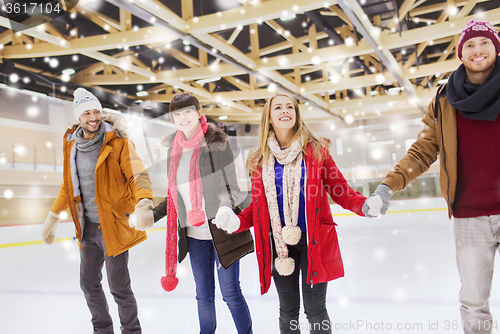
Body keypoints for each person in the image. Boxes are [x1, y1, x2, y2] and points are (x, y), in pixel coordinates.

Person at [368, 18, 500, 334]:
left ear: (496, 48)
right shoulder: (444, 99)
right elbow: (422, 151)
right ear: (460, 53)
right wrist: (387, 186)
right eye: (469, 44)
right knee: (473, 302)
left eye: (485, 42)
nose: (477, 50)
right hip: (470, 217)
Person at [214, 93, 381, 334]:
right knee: (288, 310)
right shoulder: (258, 160)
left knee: (315, 310)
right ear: (269, 118)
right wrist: (237, 221)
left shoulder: (316, 151)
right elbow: (259, 208)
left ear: (296, 114)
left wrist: (363, 205)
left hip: (314, 241)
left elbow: (339, 189)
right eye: (278, 107)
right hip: (278, 244)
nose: (285, 111)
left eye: (290, 107)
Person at [134, 93, 254, 334]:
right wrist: (152, 215)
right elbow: (174, 197)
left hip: (222, 231)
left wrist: (224, 207)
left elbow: (230, 185)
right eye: (177, 113)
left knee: (230, 293)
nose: (182, 117)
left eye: (187, 111)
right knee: (204, 296)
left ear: (199, 112)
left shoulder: (217, 143)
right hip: (194, 237)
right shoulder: (173, 151)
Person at [41, 87, 154, 334]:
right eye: (87, 113)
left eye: (96, 111)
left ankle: (131, 331)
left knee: (119, 286)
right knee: (89, 284)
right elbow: (68, 186)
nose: (93, 117)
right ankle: (102, 329)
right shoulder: (72, 145)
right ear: (78, 117)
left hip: (112, 226)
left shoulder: (118, 142)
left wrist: (144, 202)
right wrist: (52, 218)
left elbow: (137, 174)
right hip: (87, 228)